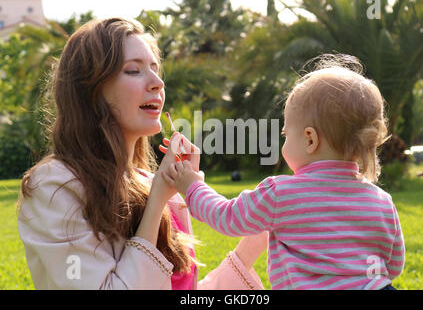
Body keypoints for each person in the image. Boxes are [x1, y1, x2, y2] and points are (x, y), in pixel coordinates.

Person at [16, 17, 267, 290]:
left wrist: (251, 247)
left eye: (155, 69)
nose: (158, 82)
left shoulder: (150, 183)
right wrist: (158, 199)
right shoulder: (54, 186)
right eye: (134, 70)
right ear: (91, 90)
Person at [162, 55, 406, 290]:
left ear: (310, 139)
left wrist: (192, 185)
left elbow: (227, 217)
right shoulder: (383, 202)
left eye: (286, 135)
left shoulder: (281, 193)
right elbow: (393, 265)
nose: (283, 143)